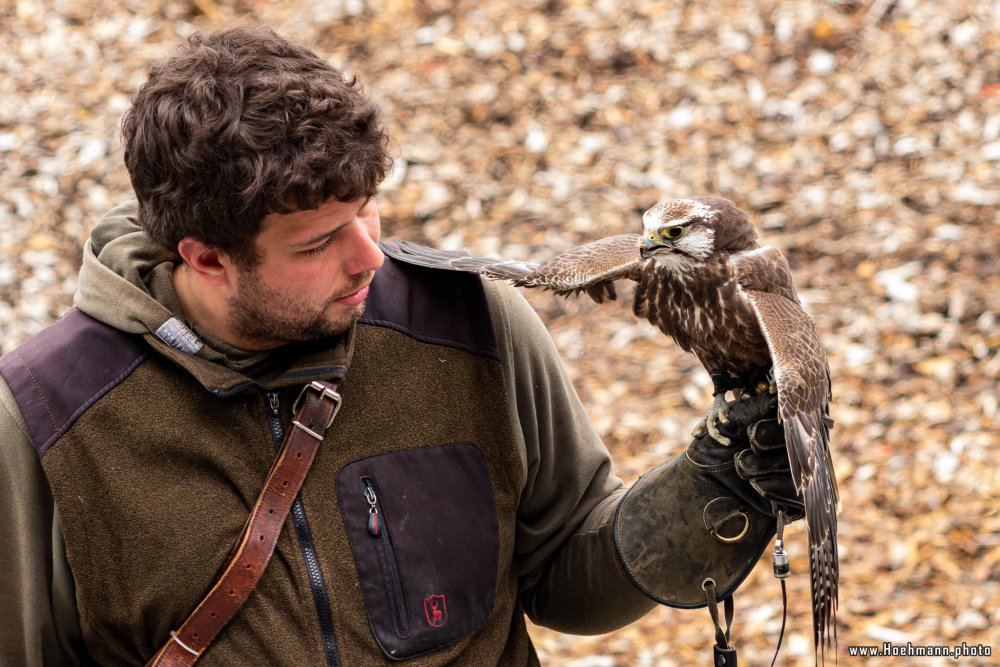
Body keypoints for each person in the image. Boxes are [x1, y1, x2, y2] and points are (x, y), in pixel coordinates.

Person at [0, 25, 801, 665]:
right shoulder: (47, 418)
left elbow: (565, 572)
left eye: (370, 209)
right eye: (318, 243)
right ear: (205, 256)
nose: (371, 257)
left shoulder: (468, 324)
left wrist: (717, 484)